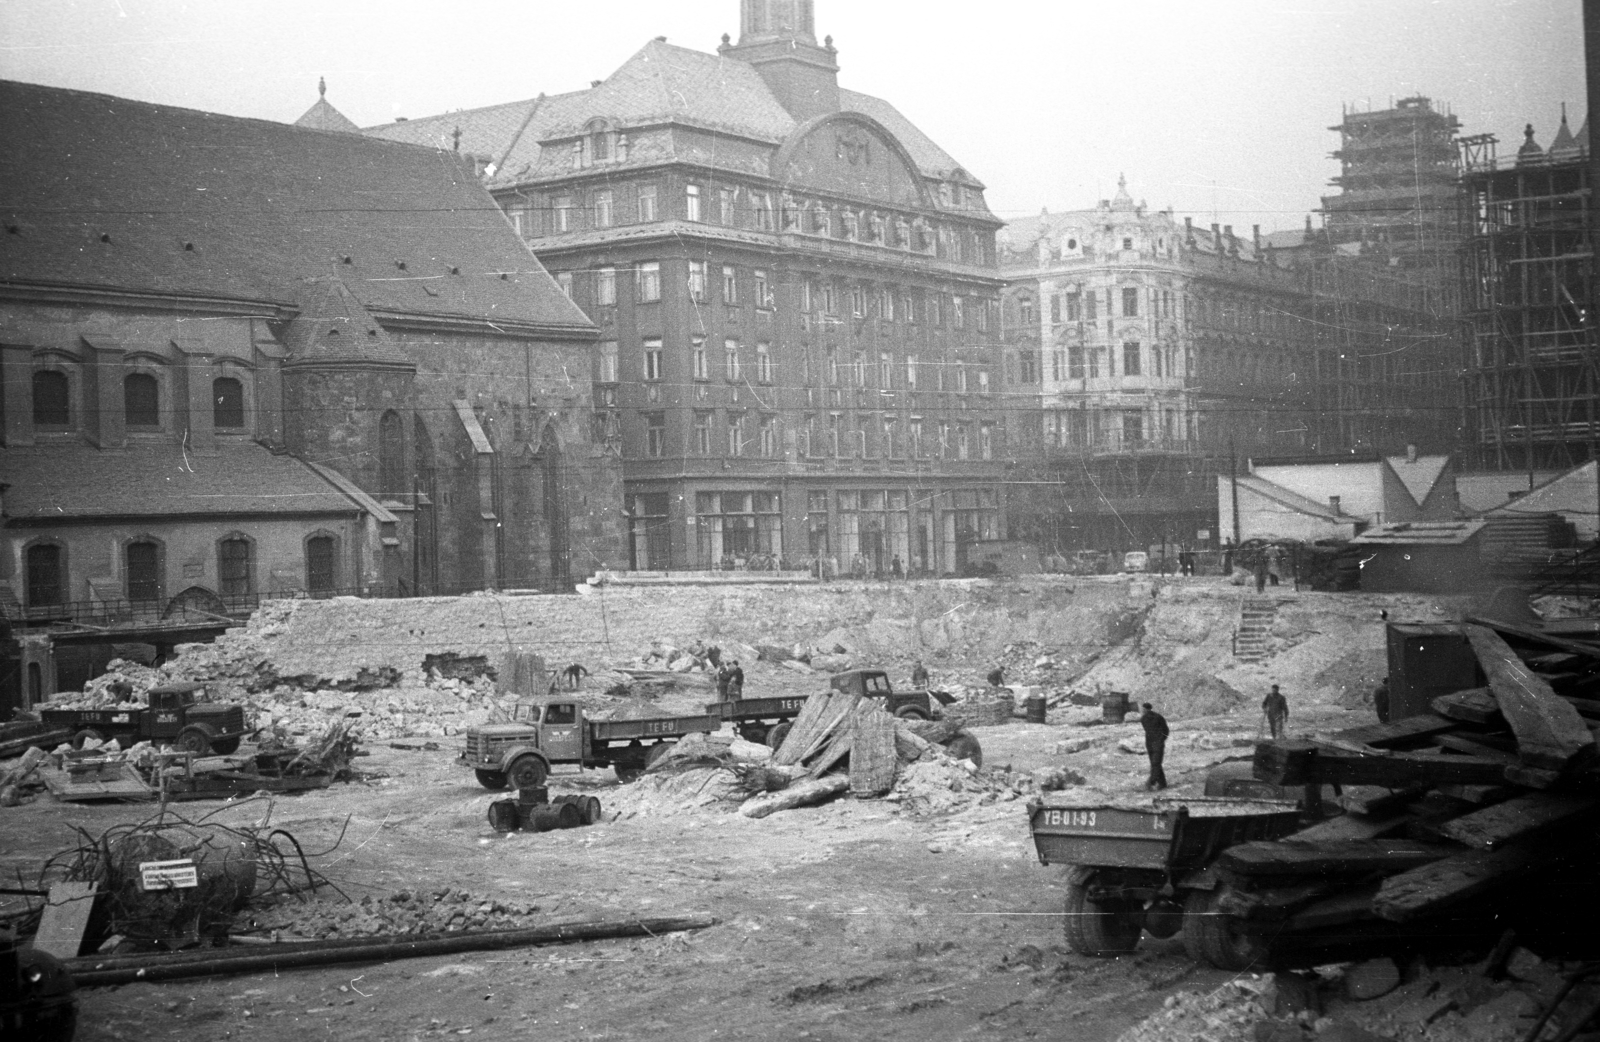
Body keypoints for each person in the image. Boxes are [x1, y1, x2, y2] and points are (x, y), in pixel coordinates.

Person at [1140, 702, 1169, 790]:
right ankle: (1162, 783)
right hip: (1156, 743)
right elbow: (1166, 730)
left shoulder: (1144, 719)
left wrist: (1159, 739)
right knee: (1156, 763)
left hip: (1151, 743)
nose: (1142, 711)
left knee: (1155, 763)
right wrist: (1161, 739)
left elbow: (1164, 730)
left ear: (1145, 709)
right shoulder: (1158, 717)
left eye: (1143, 709)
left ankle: (1151, 782)